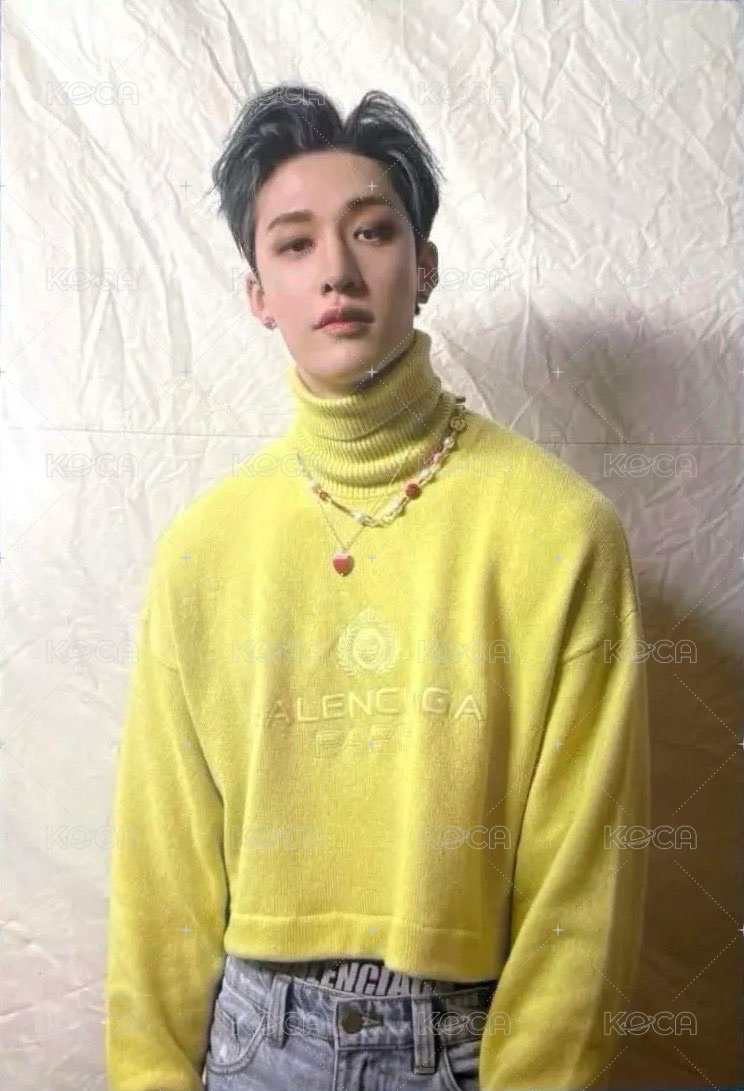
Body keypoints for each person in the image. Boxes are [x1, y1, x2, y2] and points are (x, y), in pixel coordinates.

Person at [105, 82, 650, 1091]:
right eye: (295, 243)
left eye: (372, 230)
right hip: (252, 1042)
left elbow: (587, 874)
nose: (338, 271)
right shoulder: (201, 550)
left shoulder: (562, 532)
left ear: (424, 263)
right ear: (257, 292)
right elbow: (161, 864)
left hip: (468, 1045)